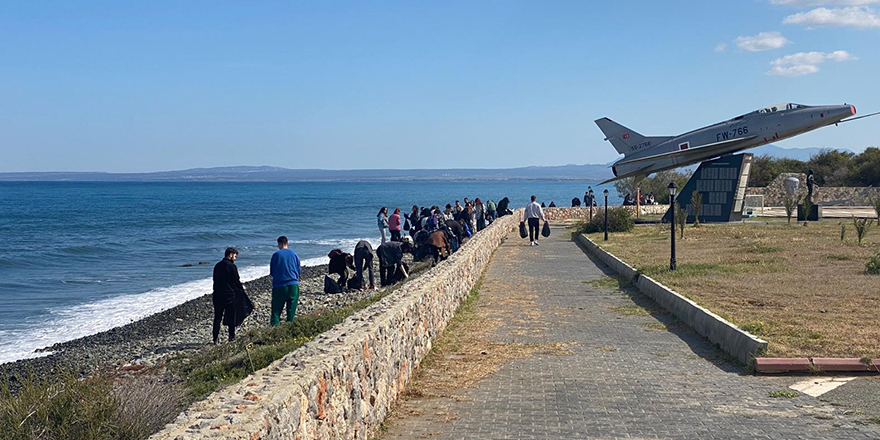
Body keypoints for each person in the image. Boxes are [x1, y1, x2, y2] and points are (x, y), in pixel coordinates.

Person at [212, 247, 244, 343]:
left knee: (217, 317)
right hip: (229, 295)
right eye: (235, 256)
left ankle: (215, 338)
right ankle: (231, 337)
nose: (235, 258)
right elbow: (236, 281)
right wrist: (242, 288)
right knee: (231, 317)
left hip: (217, 295)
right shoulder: (232, 267)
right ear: (230, 255)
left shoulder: (217, 265)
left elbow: (215, 280)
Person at [270, 236, 301, 326]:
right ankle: (289, 329)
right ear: (287, 243)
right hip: (293, 285)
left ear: (279, 244)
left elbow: (272, 272)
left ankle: (275, 331)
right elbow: (298, 270)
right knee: (291, 311)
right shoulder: (294, 254)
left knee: (276, 311)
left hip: (280, 285)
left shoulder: (276, 255)